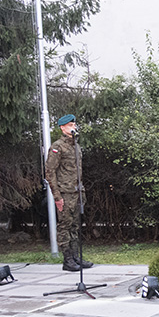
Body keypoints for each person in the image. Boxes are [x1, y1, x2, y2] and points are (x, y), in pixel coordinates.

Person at [45, 114, 93, 272]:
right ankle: (67, 260)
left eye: (74, 124)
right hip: (64, 193)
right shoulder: (57, 147)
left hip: (77, 192)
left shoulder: (76, 146)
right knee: (65, 226)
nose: (74, 127)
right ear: (62, 127)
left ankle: (75, 257)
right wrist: (57, 196)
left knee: (75, 226)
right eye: (70, 124)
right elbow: (49, 173)